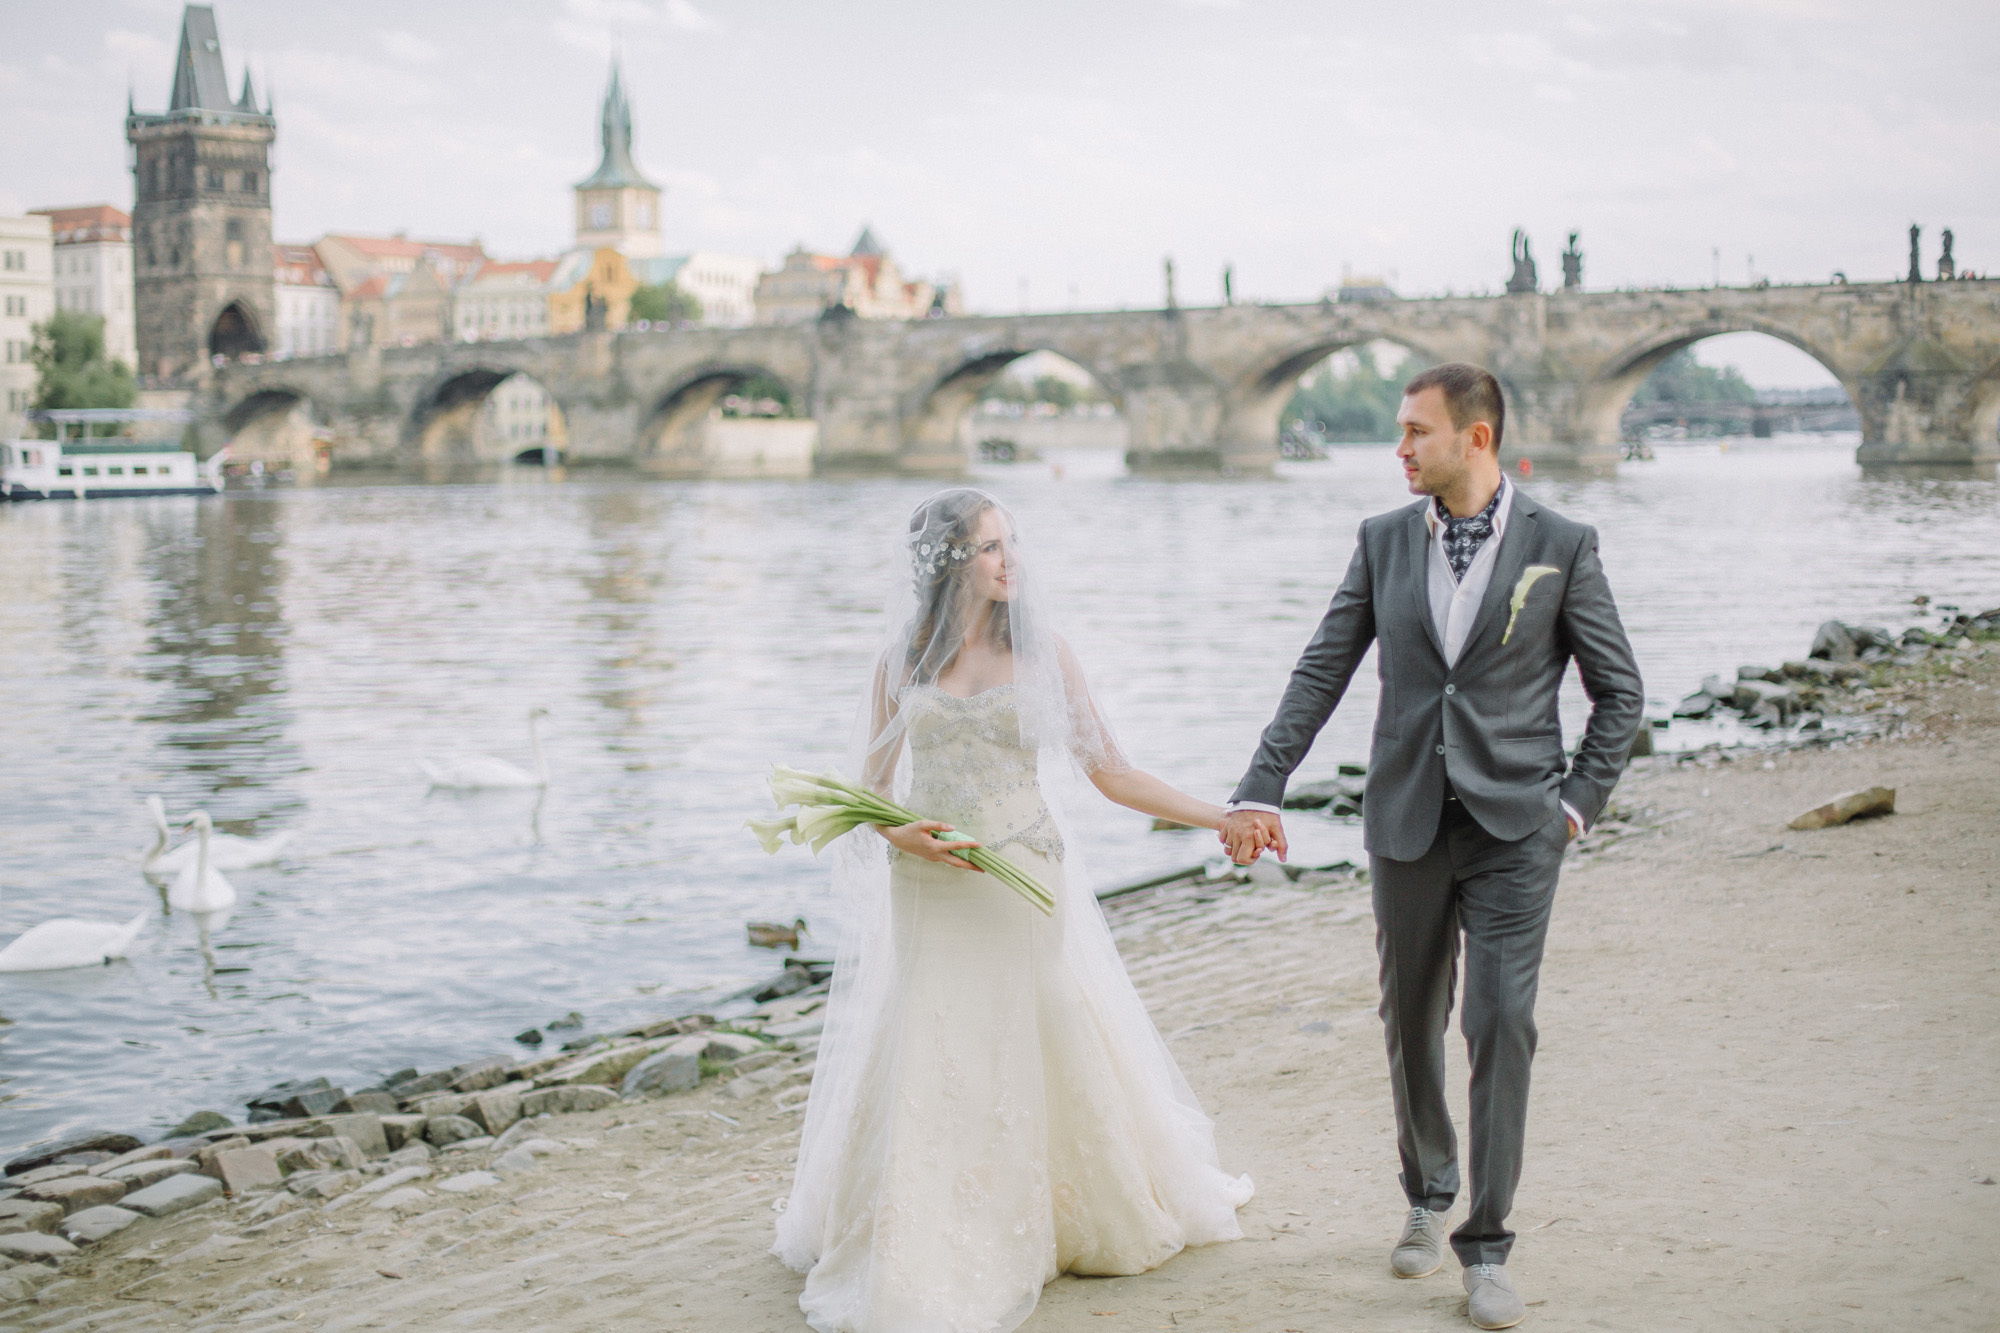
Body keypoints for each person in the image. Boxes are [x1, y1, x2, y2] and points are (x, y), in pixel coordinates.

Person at [1221, 363, 1642, 1330]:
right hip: (1406, 822)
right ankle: (1426, 1189)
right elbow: (1321, 669)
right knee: (1411, 1016)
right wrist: (1260, 782)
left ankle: (1486, 1244)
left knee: (1501, 1021)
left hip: (1516, 829)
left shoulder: (1564, 546)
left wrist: (1574, 806)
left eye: (1416, 431)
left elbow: (1620, 691)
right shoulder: (1379, 543)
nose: (1399, 447)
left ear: (1476, 438)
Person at [775, 488, 1253, 1333]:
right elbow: (872, 795)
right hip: (931, 884)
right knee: (931, 1039)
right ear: (951, 562)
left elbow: (1113, 772)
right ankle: (918, 1223)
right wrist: (905, 839)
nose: (1011, 561)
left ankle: (1059, 1208)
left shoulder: (1044, 651)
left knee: (1038, 1019)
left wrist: (1223, 815)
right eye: (992, 547)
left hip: (1021, 876)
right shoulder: (902, 661)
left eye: (1012, 542)